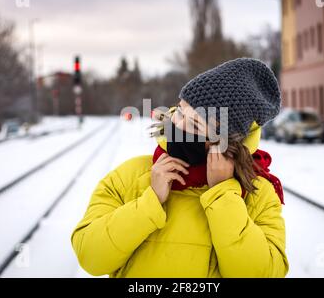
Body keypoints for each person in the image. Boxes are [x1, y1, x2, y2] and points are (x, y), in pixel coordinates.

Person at [71, 58, 289, 277]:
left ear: (225, 143)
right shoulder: (129, 176)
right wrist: (150, 202)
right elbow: (90, 257)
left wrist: (223, 196)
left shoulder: (257, 194)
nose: (178, 127)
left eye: (195, 125)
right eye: (180, 113)